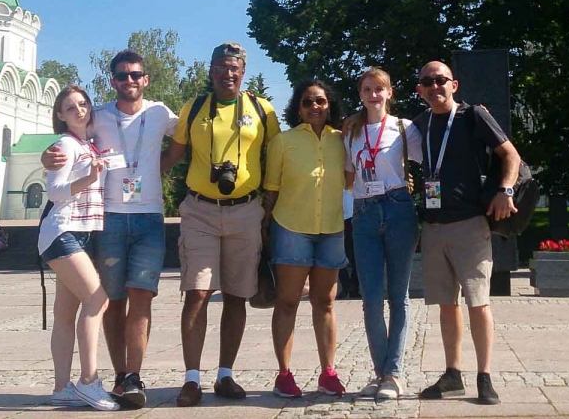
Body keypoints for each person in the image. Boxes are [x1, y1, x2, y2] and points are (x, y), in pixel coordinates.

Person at [41, 49, 178, 409]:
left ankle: (131, 376)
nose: (129, 80)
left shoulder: (161, 113)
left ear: (145, 79)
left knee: (142, 297)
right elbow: (65, 144)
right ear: (112, 81)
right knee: (110, 301)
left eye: (135, 75)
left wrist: (161, 164)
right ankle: (112, 377)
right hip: (109, 220)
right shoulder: (97, 115)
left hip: (149, 217)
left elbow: (191, 135)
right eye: (121, 75)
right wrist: (46, 155)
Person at [161, 42, 280, 407]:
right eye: (220, 68)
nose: (227, 74)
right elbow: (170, 158)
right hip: (200, 210)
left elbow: (278, 158)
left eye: (234, 68)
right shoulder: (194, 108)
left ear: (243, 71)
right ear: (210, 71)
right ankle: (192, 378)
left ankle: (225, 375)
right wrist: (124, 181)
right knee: (197, 293)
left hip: (246, 210)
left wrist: (272, 207)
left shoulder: (263, 109)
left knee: (236, 294)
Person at [413, 61, 521, 405]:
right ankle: (452, 374)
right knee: (446, 304)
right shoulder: (420, 124)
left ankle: (485, 376)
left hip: (470, 224)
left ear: (454, 84)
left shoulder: (473, 115)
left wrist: (505, 190)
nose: (434, 86)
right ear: (420, 90)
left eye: (440, 80)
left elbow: (510, 155)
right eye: (427, 82)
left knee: (478, 302)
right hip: (433, 226)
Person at [263, 79, 348, 398]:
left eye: (321, 102)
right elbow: (271, 189)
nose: (315, 107)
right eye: (308, 102)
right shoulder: (282, 142)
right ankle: (284, 374)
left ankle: (328, 373)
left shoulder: (343, 139)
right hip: (291, 228)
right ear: (297, 107)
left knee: (325, 302)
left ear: (330, 105)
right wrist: (265, 230)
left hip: (331, 229)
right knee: (286, 301)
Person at [344, 67, 423, 400]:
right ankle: (380, 374)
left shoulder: (405, 129)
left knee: (398, 297)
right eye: (366, 89)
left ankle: (394, 373)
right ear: (360, 94)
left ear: (390, 93)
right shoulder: (350, 131)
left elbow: (430, 160)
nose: (373, 95)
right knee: (371, 298)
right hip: (364, 212)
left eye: (379, 89)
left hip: (398, 208)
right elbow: (349, 175)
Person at [39, 84, 118, 411]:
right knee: (98, 300)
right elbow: (55, 192)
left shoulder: (90, 145)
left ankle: (61, 388)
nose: (80, 110)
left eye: (83, 104)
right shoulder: (66, 145)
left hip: (81, 234)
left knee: (65, 314)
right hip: (63, 232)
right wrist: (90, 178)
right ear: (60, 115)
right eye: (71, 108)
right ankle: (89, 381)